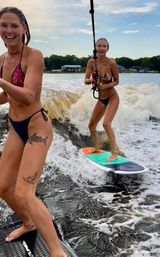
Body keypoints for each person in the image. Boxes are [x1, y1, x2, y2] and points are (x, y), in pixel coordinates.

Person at [0, 7, 67, 257]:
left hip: (37, 126)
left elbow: (28, 96)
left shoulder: (34, 56)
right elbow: (7, 96)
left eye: (14, 26)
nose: (8, 30)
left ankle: (57, 251)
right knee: (3, 187)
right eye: (3, 25)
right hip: (15, 128)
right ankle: (28, 223)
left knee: (24, 192)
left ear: (24, 29)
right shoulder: (2, 59)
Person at [84, 37, 119, 162]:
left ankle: (114, 153)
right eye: (99, 46)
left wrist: (104, 85)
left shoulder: (112, 63)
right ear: (95, 47)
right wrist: (93, 80)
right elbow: (85, 80)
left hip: (112, 97)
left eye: (104, 46)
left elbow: (117, 81)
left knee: (106, 124)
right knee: (91, 125)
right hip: (101, 98)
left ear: (107, 48)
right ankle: (96, 147)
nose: (101, 48)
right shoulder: (91, 62)